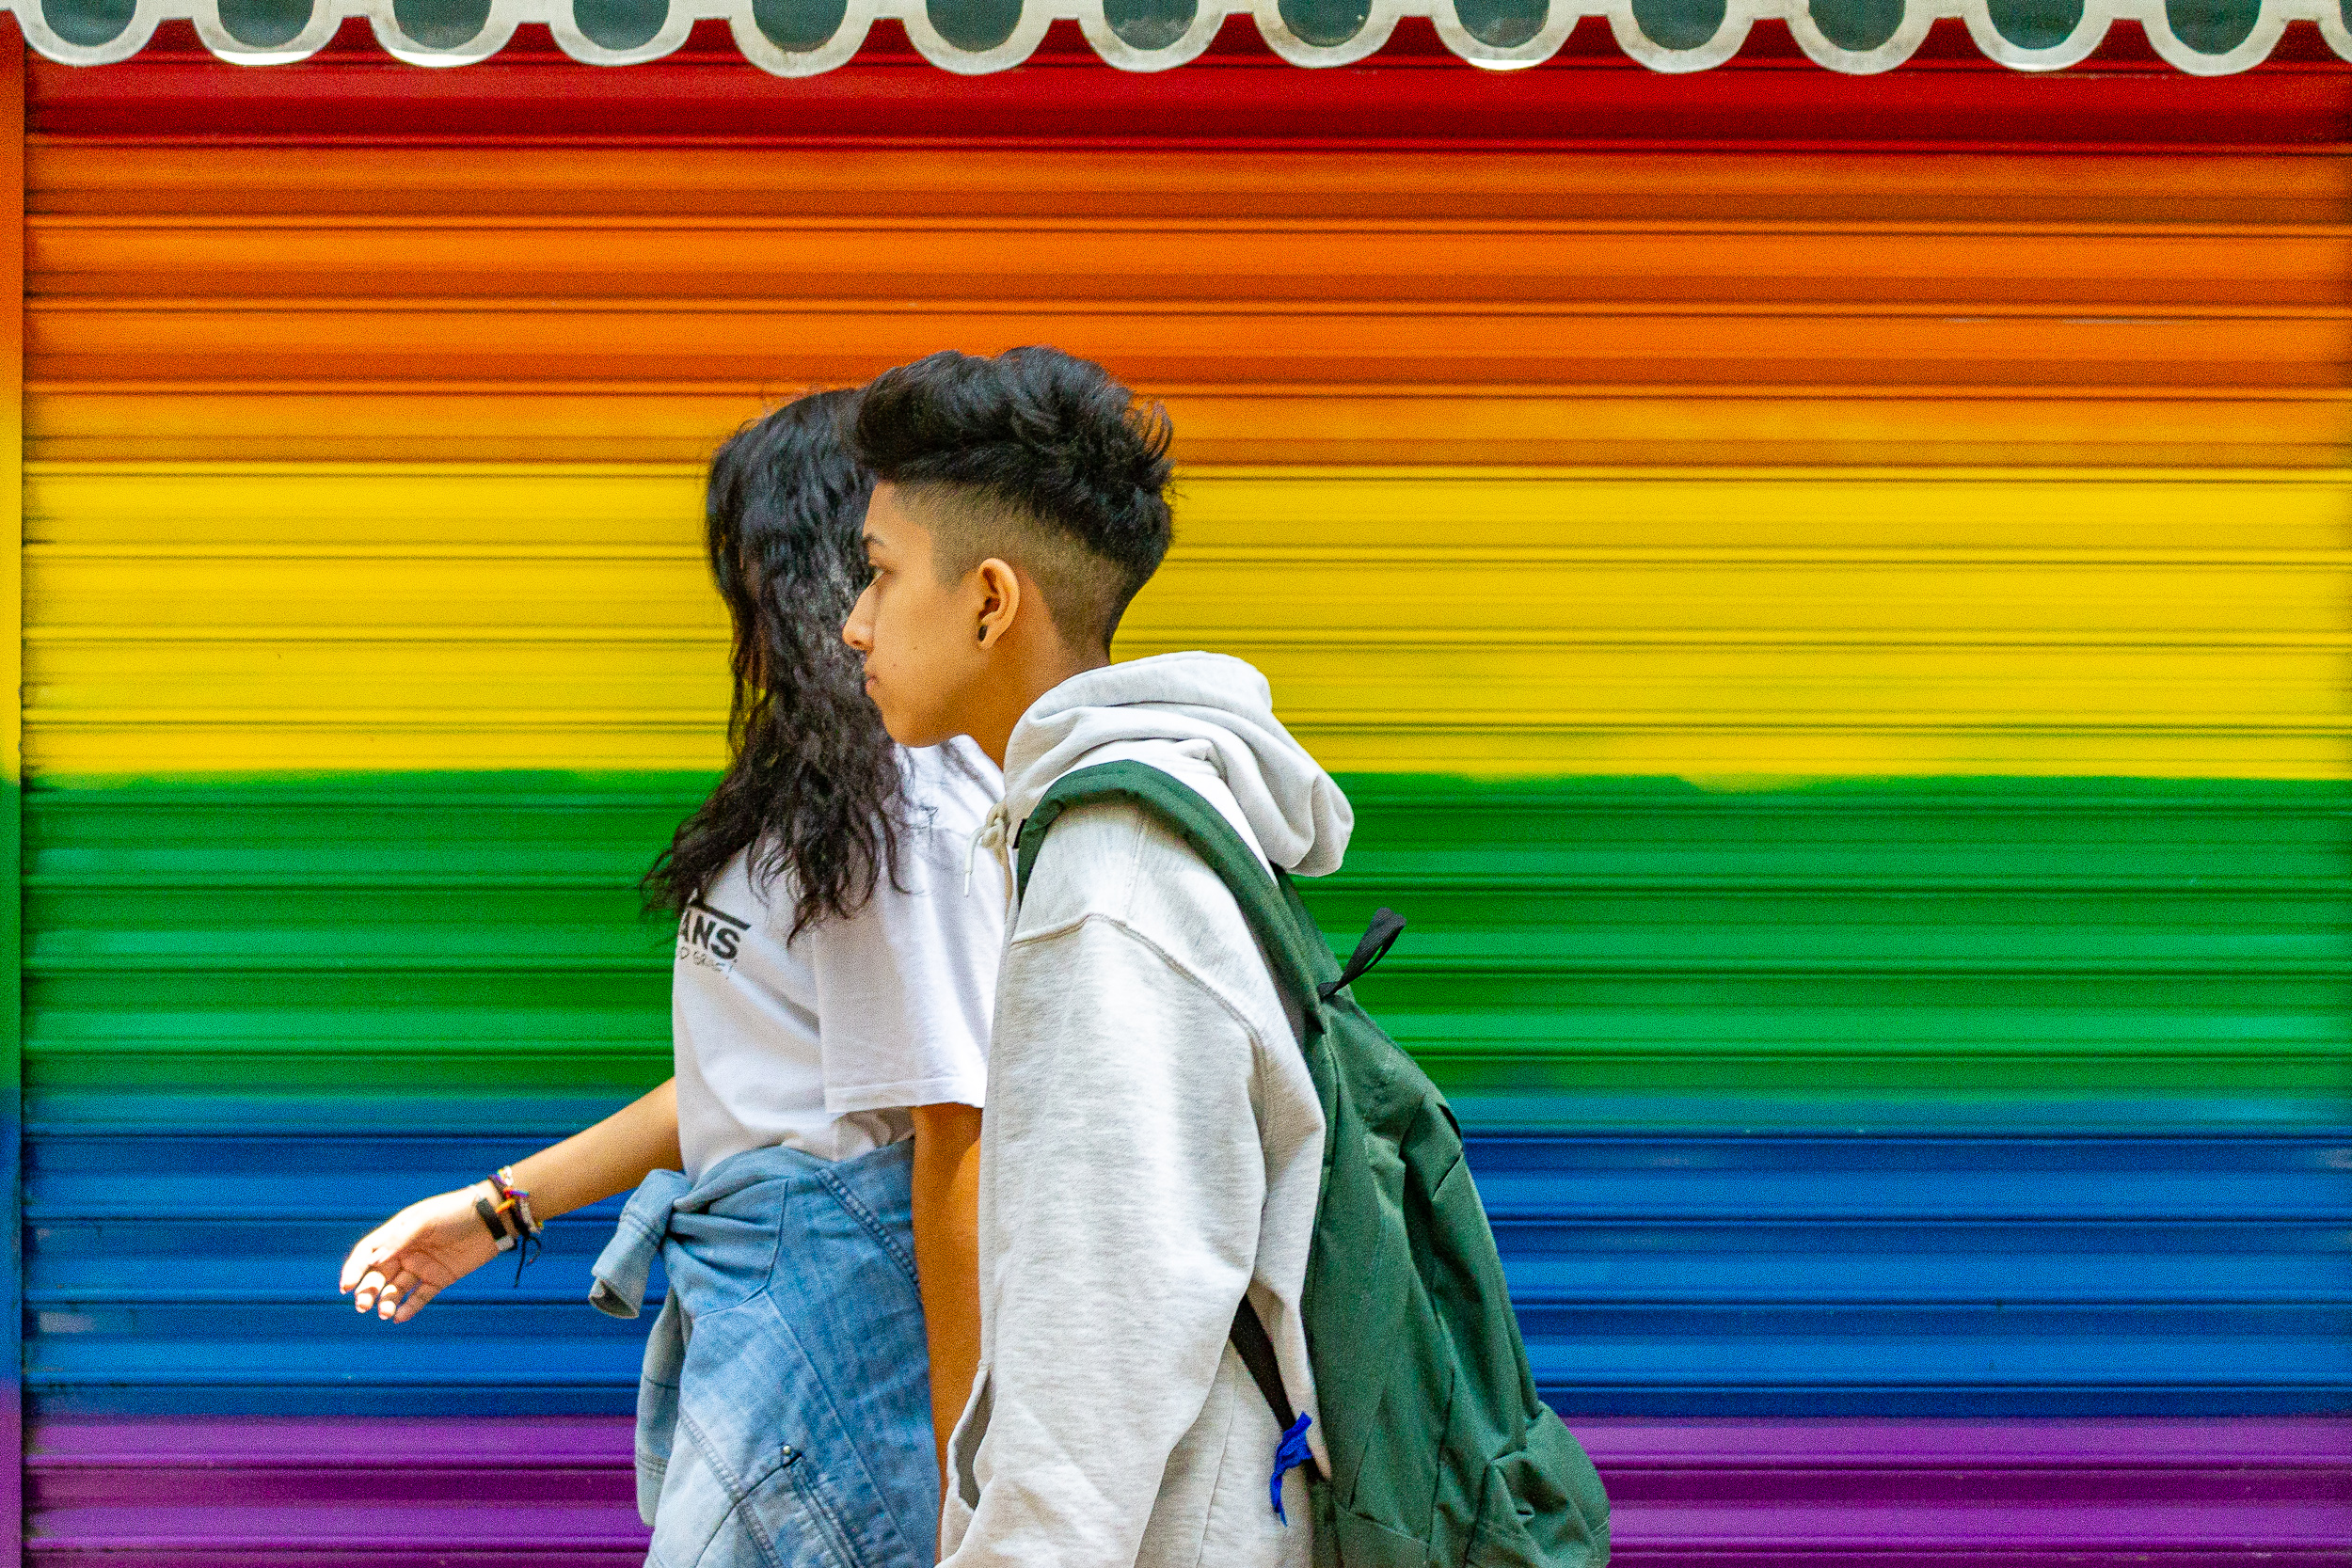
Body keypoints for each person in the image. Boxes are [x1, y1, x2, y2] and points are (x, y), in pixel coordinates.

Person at [339, 390, 1002, 1568]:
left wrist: (969, 1488)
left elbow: (959, 1133)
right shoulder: (826, 800)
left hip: (846, 1333)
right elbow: (743, 1080)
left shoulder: (912, 808)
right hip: (770, 1313)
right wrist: (499, 1210)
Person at [840, 346, 1349, 1568]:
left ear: (990, 598)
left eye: (878, 573)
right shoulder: (1133, 826)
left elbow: (1096, 1347)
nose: (854, 622)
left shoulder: (1105, 877)